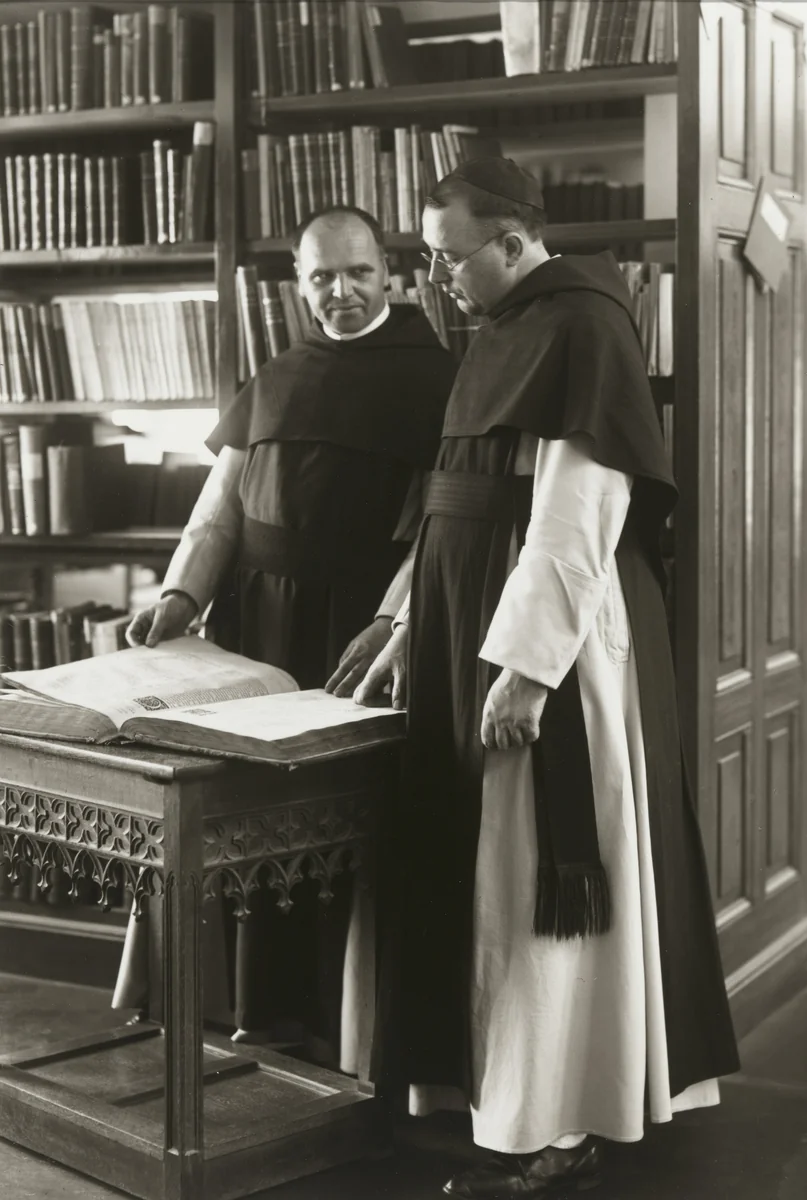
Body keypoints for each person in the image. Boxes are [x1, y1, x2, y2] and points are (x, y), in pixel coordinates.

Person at [355, 158, 741, 1198]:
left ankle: (559, 1113)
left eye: (447, 258)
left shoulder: (580, 324)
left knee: (535, 878)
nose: (433, 282)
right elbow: (455, 495)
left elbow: (579, 515)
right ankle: (489, 1086)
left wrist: (527, 670)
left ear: (515, 243)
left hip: (553, 638)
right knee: (477, 865)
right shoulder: (502, 328)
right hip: (465, 617)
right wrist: (409, 621)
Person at [115, 205, 455, 1060]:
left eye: (357, 274)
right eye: (320, 279)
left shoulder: (436, 376)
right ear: (298, 284)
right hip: (259, 633)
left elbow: (438, 529)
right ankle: (260, 1012)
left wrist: (391, 623)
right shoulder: (278, 372)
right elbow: (216, 510)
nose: (340, 293)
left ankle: (348, 1032)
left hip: (357, 636)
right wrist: (180, 598)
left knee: (342, 827)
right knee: (249, 822)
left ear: (390, 273)